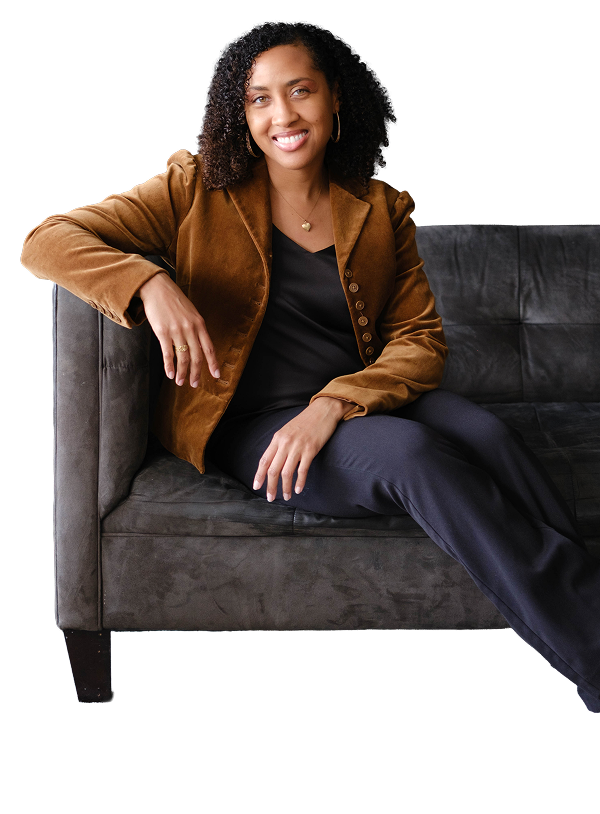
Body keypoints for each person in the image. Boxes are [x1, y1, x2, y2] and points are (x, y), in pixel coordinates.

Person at [20, 21, 600, 711]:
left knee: (491, 435)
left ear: (335, 98)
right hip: (254, 421)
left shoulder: (380, 208)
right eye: (259, 99)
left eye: (300, 91)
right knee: (413, 455)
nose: (283, 115)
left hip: (358, 398)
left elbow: (418, 340)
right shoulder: (195, 188)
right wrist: (149, 283)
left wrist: (333, 404)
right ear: (240, 115)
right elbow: (46, 239)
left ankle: (575, 619)